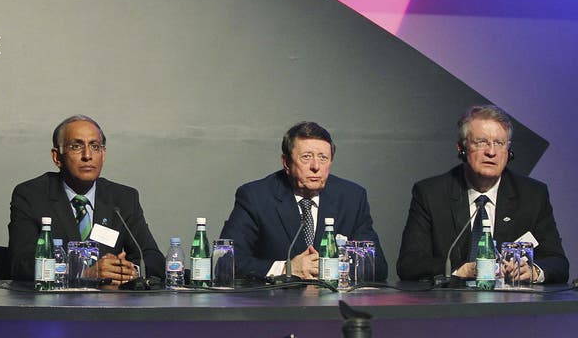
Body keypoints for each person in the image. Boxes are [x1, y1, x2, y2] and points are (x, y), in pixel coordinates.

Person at [397, 105, 569, 283]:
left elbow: (557, 262)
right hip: (449, 306)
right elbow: (410, 264)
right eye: (481, 142)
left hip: (512, 307)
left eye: (499, 143)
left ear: (508, 151)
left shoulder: (532, 195)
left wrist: (533, 272)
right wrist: (460, 270)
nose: (491, 152)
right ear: (461, 148)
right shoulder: (431, 193)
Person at [221, 121, 387, 281]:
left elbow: (377, 265)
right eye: (306, 157)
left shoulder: (352, 197)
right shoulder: (256, 196)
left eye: (323, 158)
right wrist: (287, 269)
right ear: (286, 163)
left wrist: (329, 268)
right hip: (275, 304)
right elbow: (226, 262)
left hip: (332, 305)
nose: (316, 166)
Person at [9, 115, 164, 283]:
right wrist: (84, 273)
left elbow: (152, 257)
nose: (87, 155)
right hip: (54, 304)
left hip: (110, 304)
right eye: (76, 146)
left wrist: (129, 271)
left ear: (103, 154)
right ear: (57, 157)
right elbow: (21, 264)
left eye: (95, 146)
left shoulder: (123, 198)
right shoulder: (31, 195)